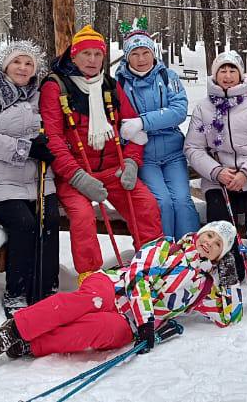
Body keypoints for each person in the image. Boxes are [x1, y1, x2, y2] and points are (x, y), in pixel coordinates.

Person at [0, 222, 244, 359]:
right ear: (200, 233)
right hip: (115, 286)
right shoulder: (167, 247)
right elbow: (138, 277)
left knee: (101, 329)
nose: (209, 243)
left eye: (217, 244)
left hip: (129, 322)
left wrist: (230, 281)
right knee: (91, 300)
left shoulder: (203, 288)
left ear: (220, 255)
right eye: (209, 235)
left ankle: (32, 346)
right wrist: (146, 321)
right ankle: (17, 328)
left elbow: (229, 317)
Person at [40, 26, 164, 280]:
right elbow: (53, 139)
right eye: (86, 54)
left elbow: (133, 129)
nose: (92, 60)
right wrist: (77, 177)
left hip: (113, 168)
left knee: (146, 204)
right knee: (83, 216)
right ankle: (91, 276)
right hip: (74, 173)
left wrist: (131, 162)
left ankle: (151, 266)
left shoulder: (109, 85)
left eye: (98, 54)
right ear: (73, 55)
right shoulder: (56, 86)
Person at [0, 41, 59, 317]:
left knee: (50, 220)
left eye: (29, 63)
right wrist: (25, 148)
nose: (23, 68)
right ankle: (16, 292)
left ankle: (46, 288)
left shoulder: (39, 95)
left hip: (37, 177)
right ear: (5, 65)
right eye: (17, 62)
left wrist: (47, 145)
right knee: (24, 224)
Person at [184, 50, 247, 270]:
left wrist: (246, 173)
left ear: (240, 75)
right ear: (215, 75)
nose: (227, 76)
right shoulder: (203, 108)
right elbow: (193, 147)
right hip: (220, 179)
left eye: (232, 70)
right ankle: (229, 269)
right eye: (222, 71)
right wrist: (217, 171)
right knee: (219, 223)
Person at [115, 28, 196, 239]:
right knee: (162, 202)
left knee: (182, 201)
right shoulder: (119, 84)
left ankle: (190, 249)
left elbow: (178, 111)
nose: (141, 59)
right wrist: (128, 133)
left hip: (173, 152)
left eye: (145, 52)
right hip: (145, 156)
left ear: (153, 53)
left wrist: (142, 122)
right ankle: (163, 250)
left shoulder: (167, 76)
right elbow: (118, 121)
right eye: (135, 54)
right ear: (127, 57)